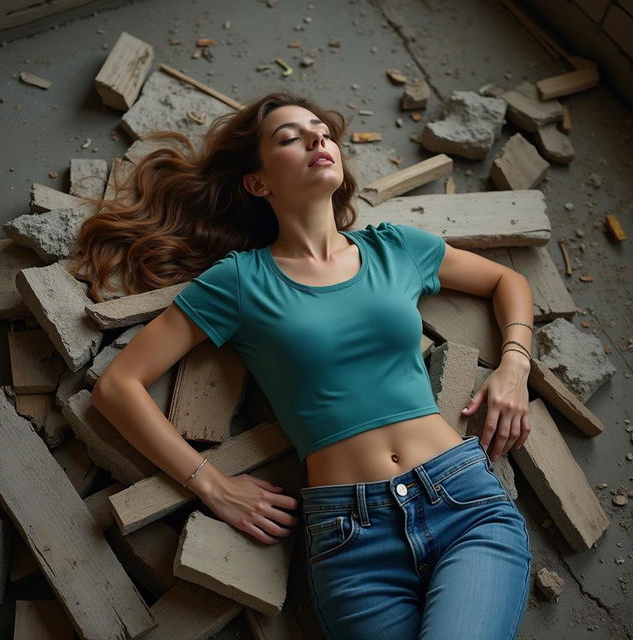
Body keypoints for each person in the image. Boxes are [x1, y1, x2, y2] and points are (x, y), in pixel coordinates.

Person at [77, 91, 533, 639]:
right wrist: (212, 485)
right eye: (290, 137)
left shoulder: (396, 248)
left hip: (460, 501)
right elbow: (119, 385)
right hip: (352, 539)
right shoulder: (239, 281)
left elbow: (507, 280)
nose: (318, 139)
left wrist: (514, 366)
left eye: (321, 130)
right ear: (258, 182)